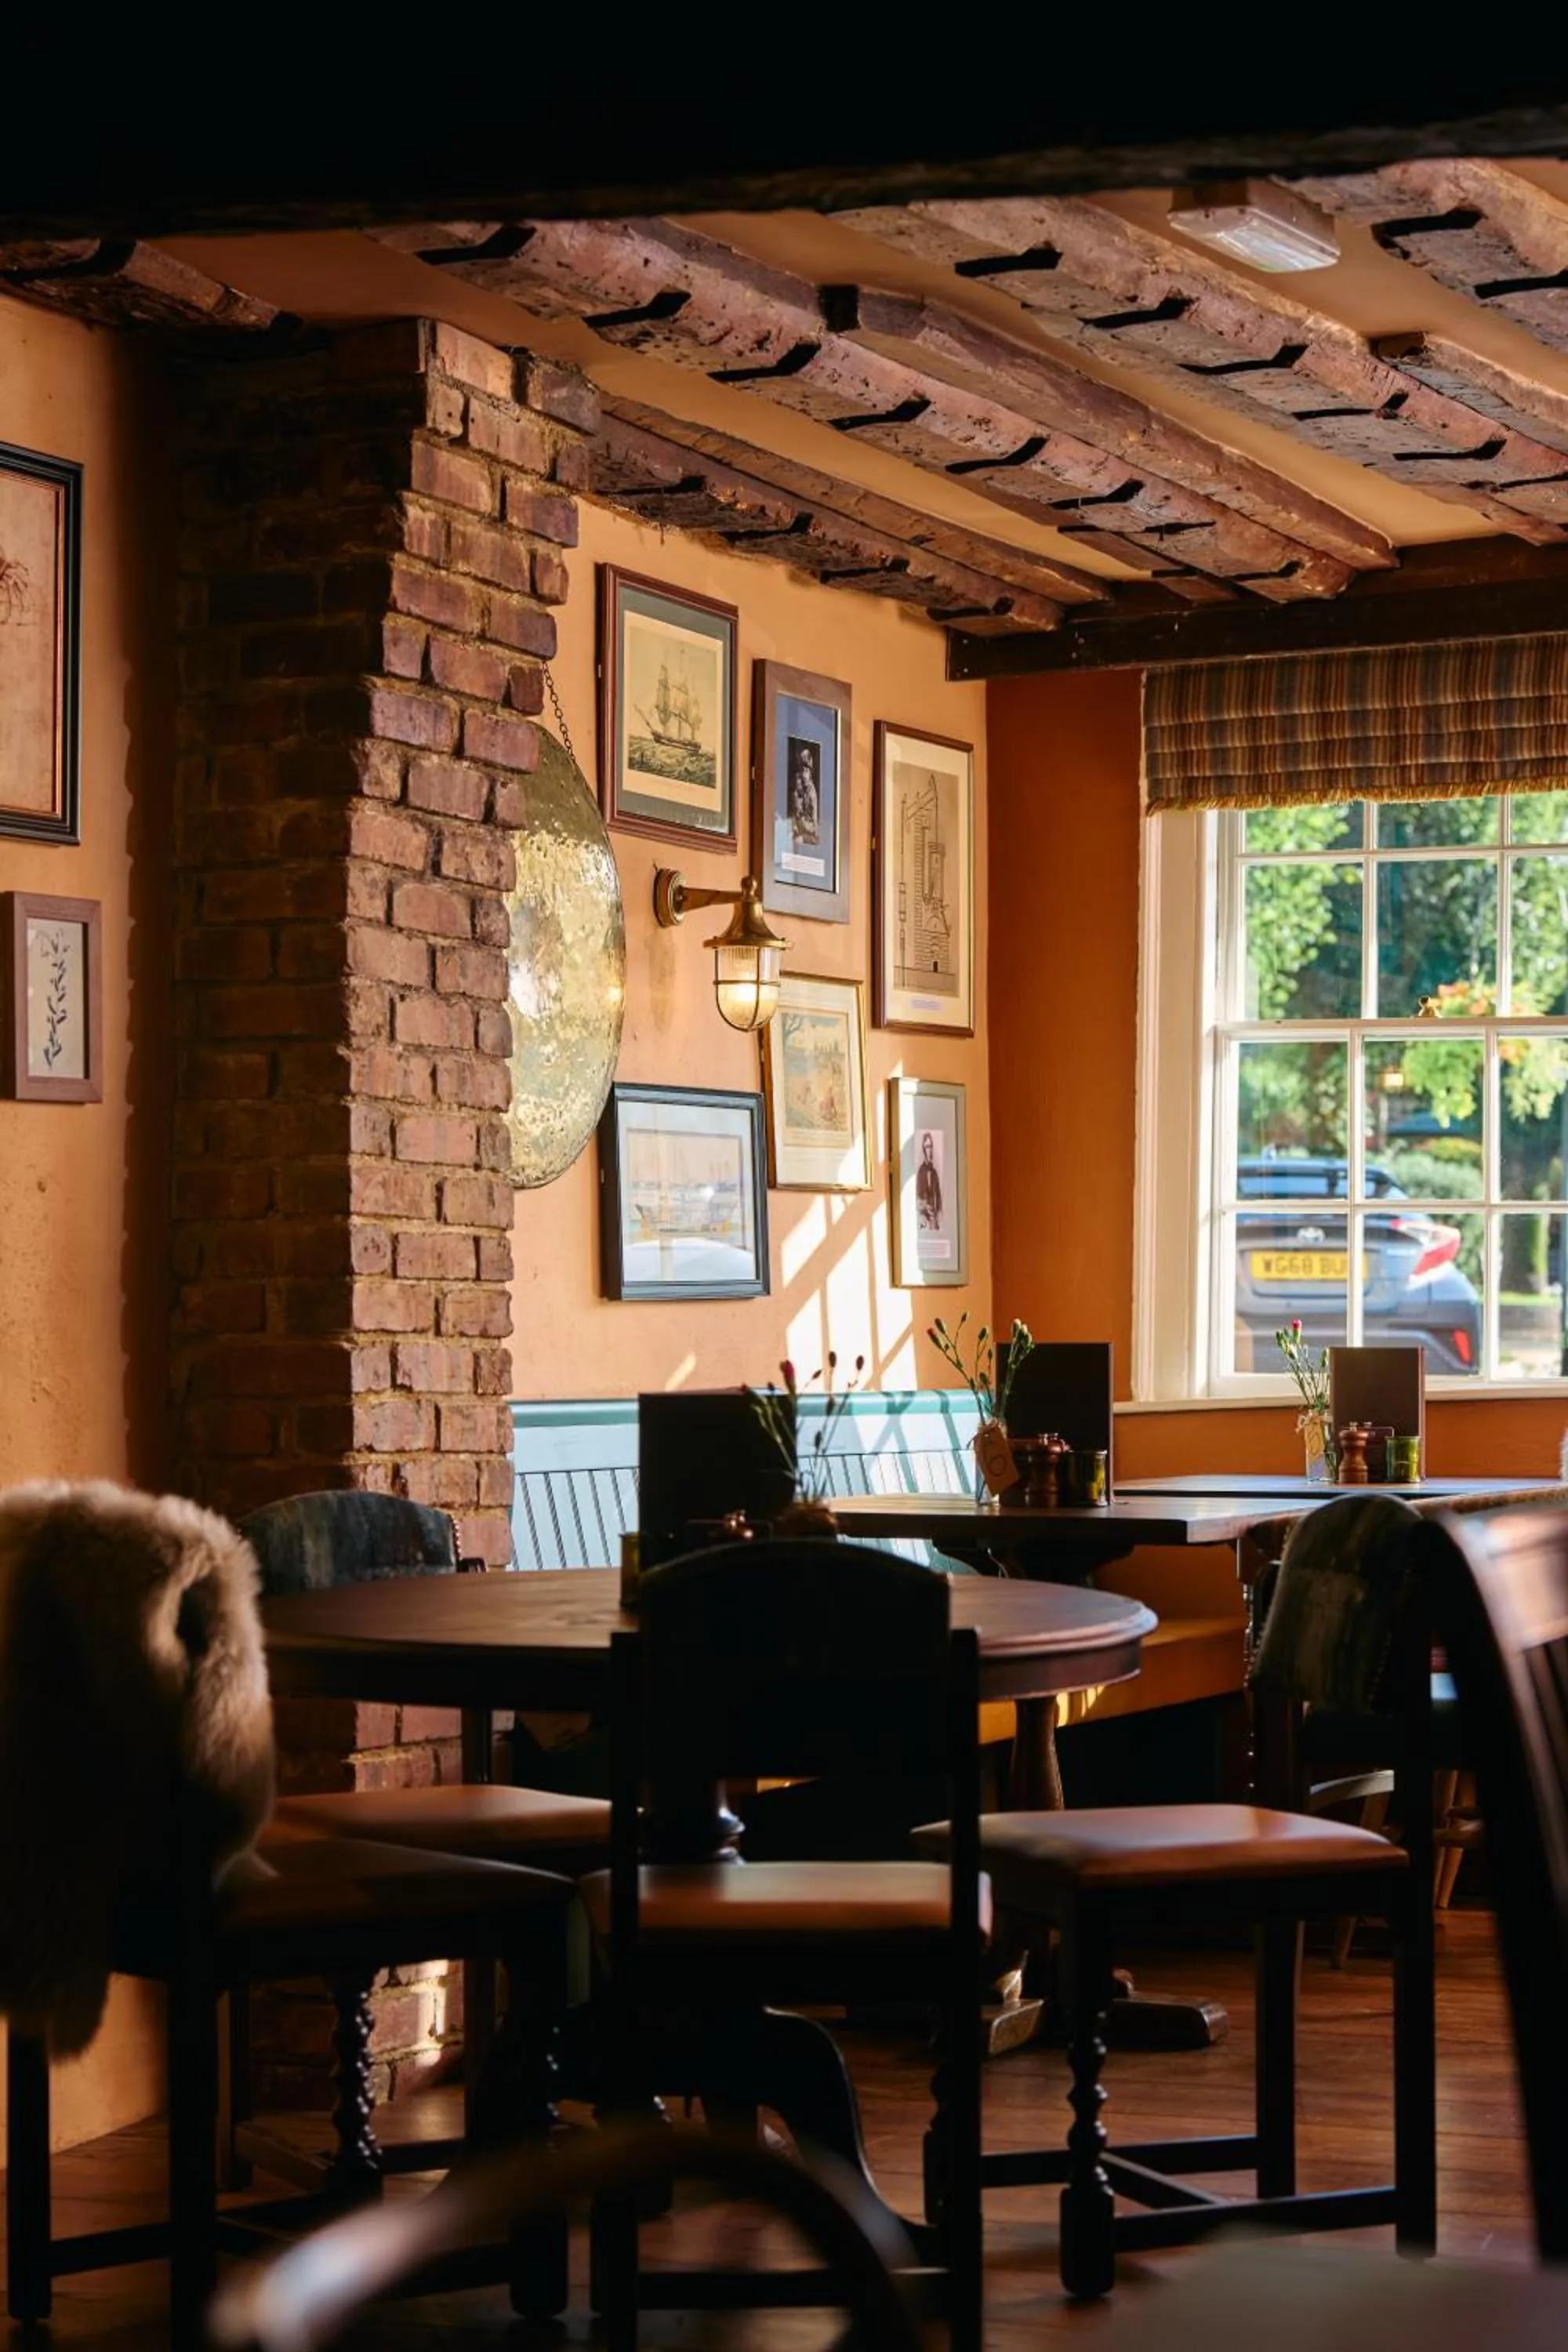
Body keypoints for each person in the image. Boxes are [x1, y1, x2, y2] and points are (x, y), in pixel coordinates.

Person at [916, 1131, 942, 1230]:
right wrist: (925, 1207)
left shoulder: (934, 1173)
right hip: (924, 1221)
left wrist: (938, 1216)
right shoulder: (920, 1173)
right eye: (927, 1147)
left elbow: (939, 1199)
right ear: (923, 1149)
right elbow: (917, 1200)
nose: (929, 1150)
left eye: (931, 1146)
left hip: (934, 1222)